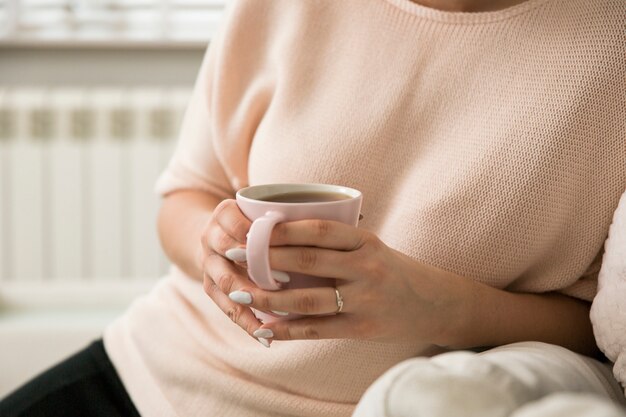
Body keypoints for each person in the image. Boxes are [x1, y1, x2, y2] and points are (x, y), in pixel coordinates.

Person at [1, 0, 625, 416]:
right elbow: (185, 194)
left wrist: (435, 305)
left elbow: (597, 333)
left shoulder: (610, 47)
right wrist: (211, 246)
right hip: (152, 372)